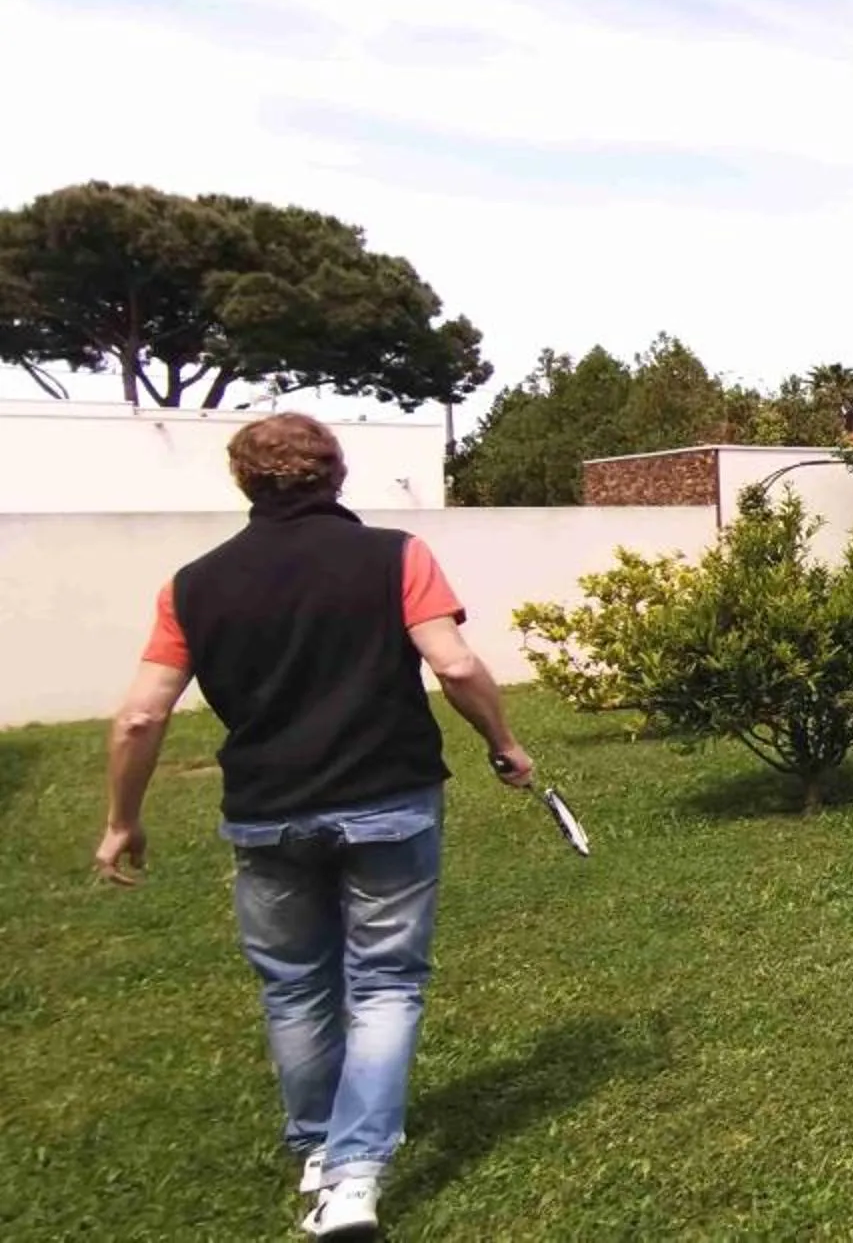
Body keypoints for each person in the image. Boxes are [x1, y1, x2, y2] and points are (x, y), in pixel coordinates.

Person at [93, 412, 535, 1240]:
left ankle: (320, 1148)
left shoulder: (191, 585)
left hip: (268, 813)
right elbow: (453, 662)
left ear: (243, 480)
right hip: (389, 800)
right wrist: (503, 742)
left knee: (295, 986)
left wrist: (123, 820)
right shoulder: (396, 555)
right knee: (385, 985)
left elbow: (140, 717)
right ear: (337, 474)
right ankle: (354, 1175)